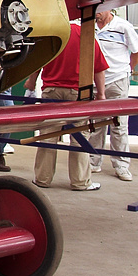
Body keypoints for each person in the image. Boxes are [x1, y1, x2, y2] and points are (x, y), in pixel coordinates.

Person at [24, 21, 109, 191]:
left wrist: (31, 83)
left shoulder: (52, 33)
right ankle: (80, 181)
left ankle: (42, 178)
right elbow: (98, 67)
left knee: (48, 135)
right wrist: (101, 94)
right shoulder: (85, 35)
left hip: (51, 91)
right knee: (79, 138)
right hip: (78, 92)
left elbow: (37, 63)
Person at [89, 9, 138, 181]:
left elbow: (137, 49)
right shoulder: (89, 26)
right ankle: (93, 161)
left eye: (99, 10)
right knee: (96, 124)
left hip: (118, 78)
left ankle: (121, 165)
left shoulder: (123, 26)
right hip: (96, 80)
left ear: (108, 9)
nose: (96, 13)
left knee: (119, 124)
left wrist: (128, 69)